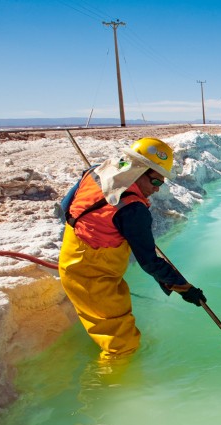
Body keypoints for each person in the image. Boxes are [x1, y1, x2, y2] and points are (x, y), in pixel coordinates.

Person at [58, 137, 206, 360]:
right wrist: (186, 289)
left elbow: (65, 209)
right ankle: (108, 389)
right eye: (156, 182)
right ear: (139, 170)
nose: (157, 190)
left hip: (74, 258)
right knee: (123, 347)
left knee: (114, 322)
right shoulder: (132, 210)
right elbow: (149, 262)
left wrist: (100, 228)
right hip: (93, 278)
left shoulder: (96, 172)